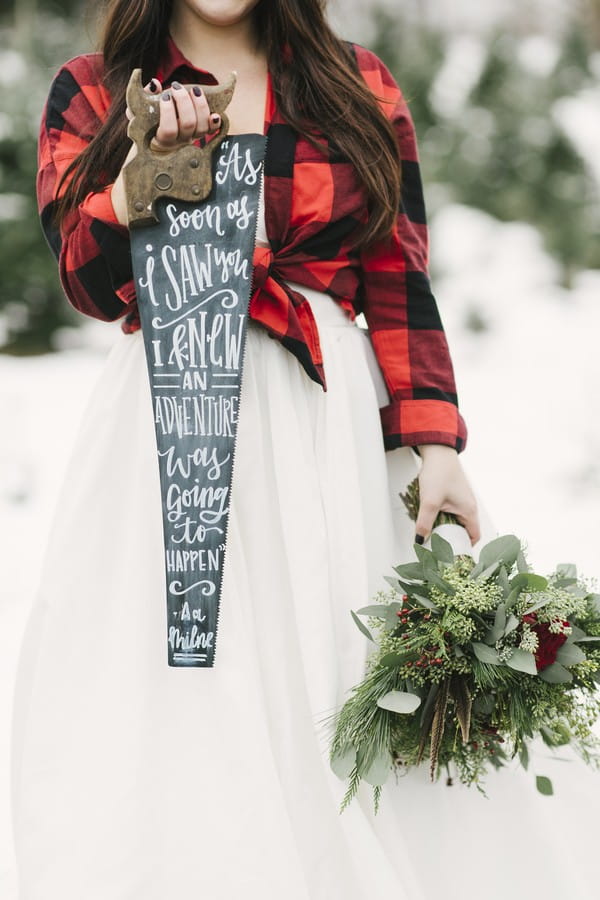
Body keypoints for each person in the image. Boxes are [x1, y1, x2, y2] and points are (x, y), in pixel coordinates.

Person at [17, 2, 600, 899]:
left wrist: (434, 436)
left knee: (337, 654)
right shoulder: (95, 89)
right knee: (179, 677)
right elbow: (87, 281)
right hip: (165, 417)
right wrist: (139, 186)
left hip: (322, 407)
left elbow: (397, 268)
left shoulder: (353, 83)